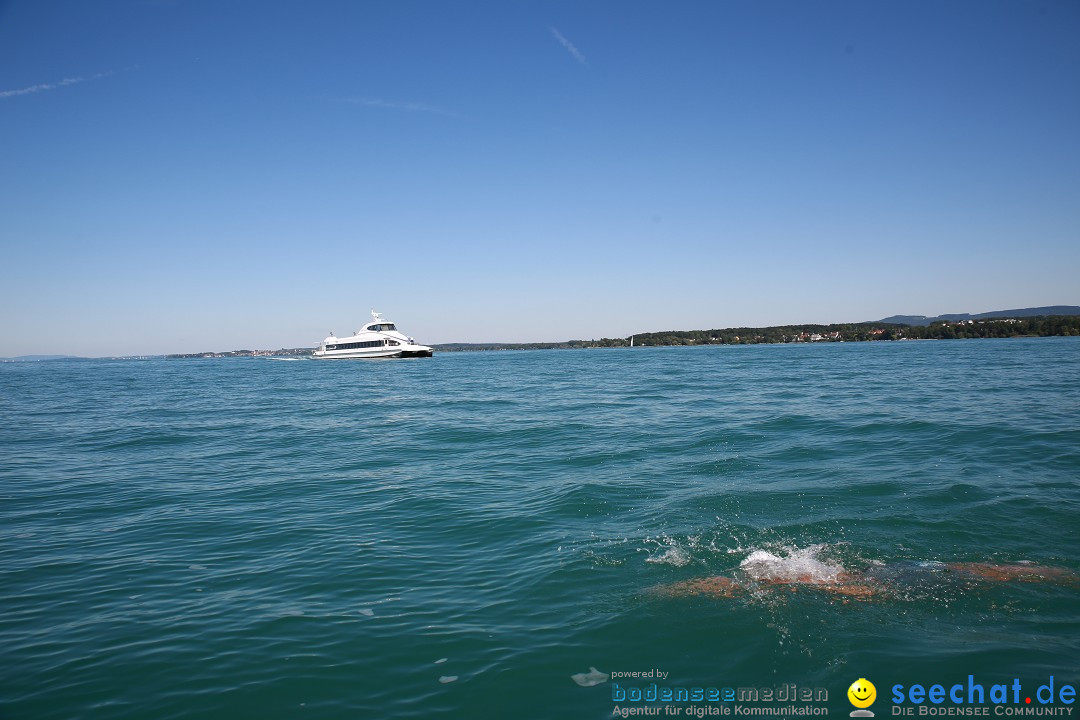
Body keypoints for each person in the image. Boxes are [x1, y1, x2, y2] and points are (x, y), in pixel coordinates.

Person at [655, 561, 1077, 600]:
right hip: (901, 570)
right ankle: (1058, 576)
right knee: (982, 571)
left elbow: (865, 593)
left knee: (982, 575)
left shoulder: (827, 583)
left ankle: (1058, 577)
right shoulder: (826, 578)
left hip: (899, 577)